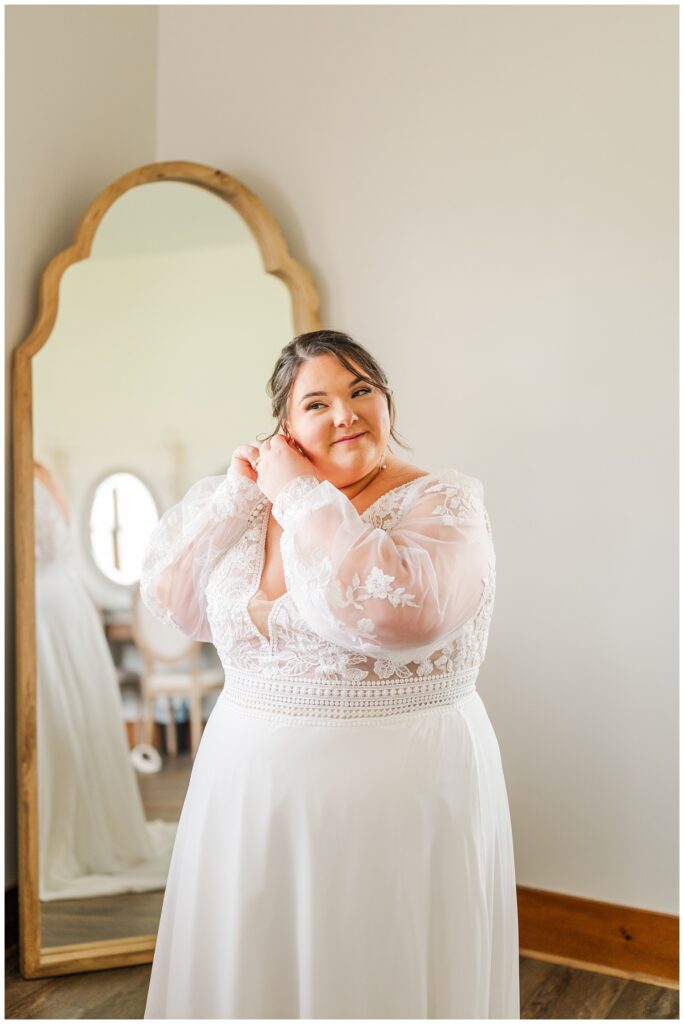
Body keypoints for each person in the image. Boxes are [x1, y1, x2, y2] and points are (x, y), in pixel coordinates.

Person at [140, 330, 520, 1018]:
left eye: (360, 391)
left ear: (386, 403)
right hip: (245, 791)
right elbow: (175, 602)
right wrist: (237, 494)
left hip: (396, 798)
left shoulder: (446, 503)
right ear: (285, 428)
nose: (344, 413)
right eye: (316, 402)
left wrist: (304, 493)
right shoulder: (253, 505)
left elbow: (397, 610)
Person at [34, 462, 177, 901]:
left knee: (66, 716)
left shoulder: (36, 474)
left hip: (47, 610)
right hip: (64, 605)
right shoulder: (44, 475)